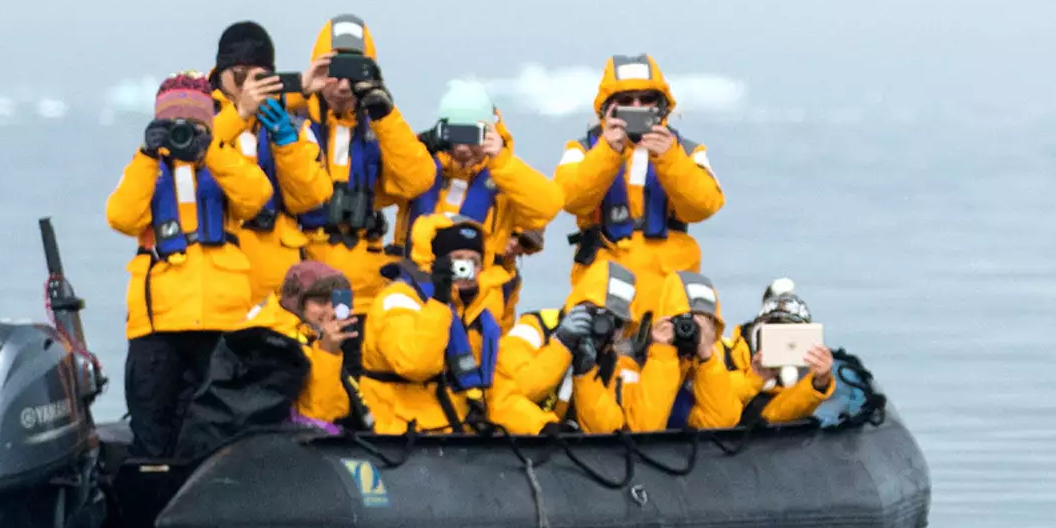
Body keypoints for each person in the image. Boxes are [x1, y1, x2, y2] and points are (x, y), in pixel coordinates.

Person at [105, 73, 275, 459]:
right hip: (158, 323)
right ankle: (151, 501)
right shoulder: (145, 166)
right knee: (152, 425)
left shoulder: (224, 159)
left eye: (193, 123)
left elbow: (257, 196)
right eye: (173, 123)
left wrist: (210, 146)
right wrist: (150, 154)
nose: (182, 132)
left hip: (220, 321)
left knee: (219, 424)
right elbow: (121, 217)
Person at [555, 53, 724, 311]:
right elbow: (569, 199)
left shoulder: (687, 151)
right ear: (607, 108)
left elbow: (704, 206)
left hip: (669, 292)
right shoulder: (583, 150)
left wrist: (668, 158)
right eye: (625, 101)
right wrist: (608, 150)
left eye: (646, 99)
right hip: (602, 290)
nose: (637, 106)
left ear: (662, 106)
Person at [358, 218, 551, 435]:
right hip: (396, 436)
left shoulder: (476, 317)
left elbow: (498, 393)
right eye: (457, 260)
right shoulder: (397, 299)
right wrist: (439, 302)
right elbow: (415, 364)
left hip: (451, 436)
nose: (464, 269)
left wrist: (542, 425)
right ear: (436, 262)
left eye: (474, 262)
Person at [297, 14, 437, 312]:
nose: (344, 85)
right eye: (335, 70)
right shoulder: (292, 117)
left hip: (365, 291)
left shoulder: (380, 126)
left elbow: (418, 180)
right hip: (305, 287)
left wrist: (385, 113)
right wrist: (301, 90)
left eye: (355, 72)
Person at [394, 78, 561, 318]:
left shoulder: (506, 174)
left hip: (481, 299)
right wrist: (420, 142)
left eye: (471, 135)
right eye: (454, 133)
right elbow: (390, 169)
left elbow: (549, 205)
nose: (462, 147)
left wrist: (501, 159)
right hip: (419, 291)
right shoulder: (421, 168)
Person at [171, 258, 356, 469]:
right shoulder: (270, 344)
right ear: (297, 300)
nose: (330, 311)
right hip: (246, 460)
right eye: (320, 302)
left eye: (334, 302)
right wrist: (328, 351)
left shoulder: (291, 332)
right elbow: (317, 416)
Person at [608, 274, 838, 433]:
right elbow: (645, 427)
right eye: (681, 321)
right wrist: (663, 351)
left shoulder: (710, 355)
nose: (687, 332)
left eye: (700, 322)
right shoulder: (631, 361)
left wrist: (707, 355)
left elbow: (723, 420)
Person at [209, 19, 334, 304]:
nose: (250, 86)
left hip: (278, 280)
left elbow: (312, 198)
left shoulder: (291, 124)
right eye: (240, 76)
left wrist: (286, 143)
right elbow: (196, 153)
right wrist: (238, 115)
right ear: (220, 73)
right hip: (220, 277)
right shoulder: (204, 115)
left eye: (260, 77)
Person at [496, 258, 640, 432]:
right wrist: (561, 345)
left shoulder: (613, 362)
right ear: (578, 304)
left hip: (572, 453)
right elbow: (511, 391)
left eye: (615, 321)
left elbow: (607, 431)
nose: (602, 327)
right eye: (595, 312)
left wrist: (586, 373)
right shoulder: (535, 328)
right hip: (519, 443)